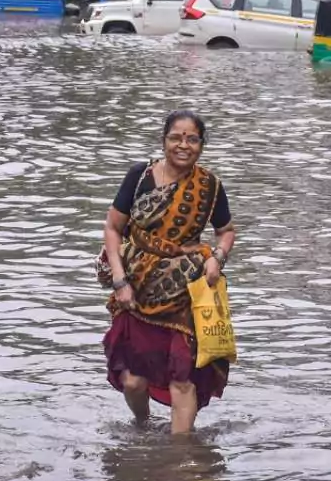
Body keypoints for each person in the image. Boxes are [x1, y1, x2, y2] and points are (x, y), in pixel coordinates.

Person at [99, 110, 235, 435]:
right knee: (133, 381)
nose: (183, 145)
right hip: (136, 288)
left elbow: (226, 230)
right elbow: (113, 227)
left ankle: (181, 460)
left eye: (192, 139)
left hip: (184, 291)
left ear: (201, 145)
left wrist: (218, 257)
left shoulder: (209, 186)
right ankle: (142, 426)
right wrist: (119, 281)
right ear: (164, 141)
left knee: (182, 379)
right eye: (176, 137)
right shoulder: (139, 176)